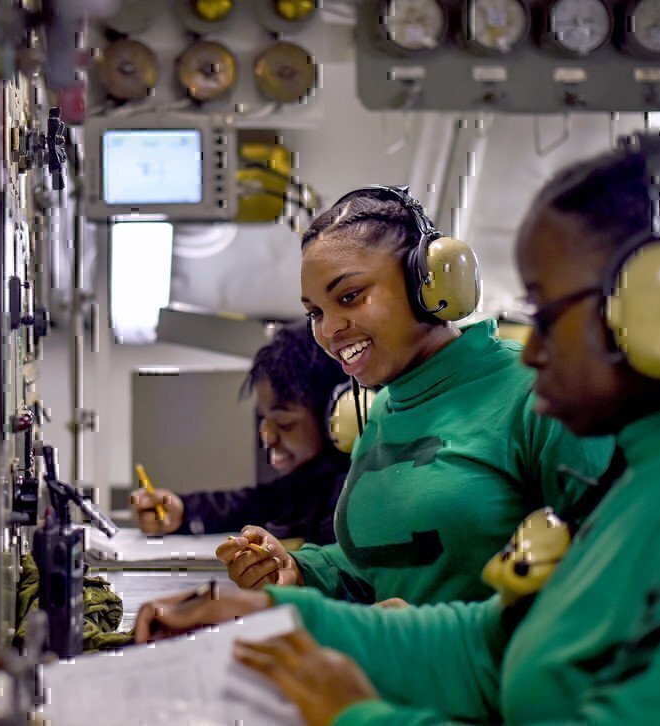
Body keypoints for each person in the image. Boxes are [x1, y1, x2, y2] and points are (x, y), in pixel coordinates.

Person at [134, 133, 660, 724]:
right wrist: (275, 609)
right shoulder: (655, 474)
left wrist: (360, 716)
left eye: (549, 312)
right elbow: (493, 643)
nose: (533, 350)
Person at [214, 183, 613, 606]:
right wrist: (301, 570)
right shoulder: (385, 406)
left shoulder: (536, 392)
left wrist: (426, 634)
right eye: (315, 312)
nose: (328, 330)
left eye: (349, 297)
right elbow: (382, 565)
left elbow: (607, 575)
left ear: (428, 284)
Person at [129, 323, 351, 545]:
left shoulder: (350, 498)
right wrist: (184, 511)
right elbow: (259, 503)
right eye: (264, 419)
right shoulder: (307, 486)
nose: (268, 436)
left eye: (284, 423)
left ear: (337, 415)